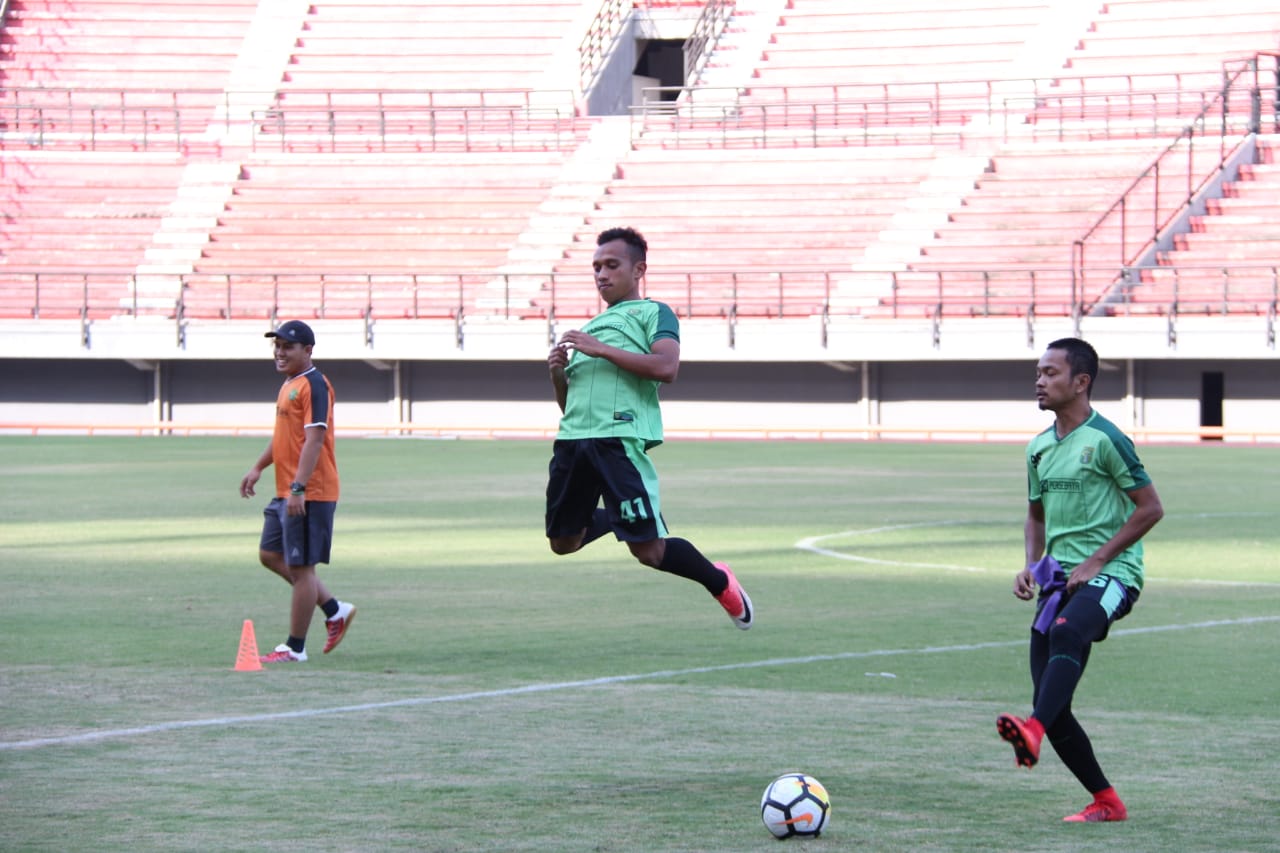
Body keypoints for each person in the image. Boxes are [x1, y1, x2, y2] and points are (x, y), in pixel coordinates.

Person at [544, 226, 753, 629]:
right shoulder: (592, 327)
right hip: (571, 444)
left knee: (649, 552)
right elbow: (572, 406)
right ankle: (619, 515)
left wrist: (599, 349)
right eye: (596, 267)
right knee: (563, 543)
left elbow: (666, 368)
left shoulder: (653, 313)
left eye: (611, 265)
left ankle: (719, 581)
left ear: (638, 269)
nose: (601, 274)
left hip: (617, 443)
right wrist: (558, 376)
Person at [997, 337, 1164, 822]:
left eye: (1051, 373)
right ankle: (1106, 802)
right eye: (1038, 372)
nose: (1040, 381)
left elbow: (1151, 508)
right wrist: (1031, 563)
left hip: (1113, 574)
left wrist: (1096, 561)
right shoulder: (1039, 448)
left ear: (1081, 382)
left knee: (1069, 633)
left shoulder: (1106, 439)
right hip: (1057, 584)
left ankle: (1031, 732)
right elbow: (1035, 516)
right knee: (1053, 703)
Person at [239, 320, 356, 663]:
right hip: (287, 489)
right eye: (276, 345)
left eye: (288, 346)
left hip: (309, 491)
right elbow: (284, 440)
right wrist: (259, 466)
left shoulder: (314, 385)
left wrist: (298, 488)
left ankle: (295, 647)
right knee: (271, 555)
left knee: (302, 568)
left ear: (308, 351)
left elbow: (315, 439)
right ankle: (334, 610)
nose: (279, 352)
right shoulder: (289, 384)